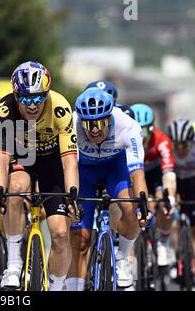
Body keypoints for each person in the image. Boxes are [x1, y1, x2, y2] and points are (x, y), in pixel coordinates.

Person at [0, 61, 79, 290]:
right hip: (23, 157)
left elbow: (69, 160)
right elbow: (1, 161)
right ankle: (13, 263)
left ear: (47, 94)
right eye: (26, 99)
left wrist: (72, 196)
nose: (32, 105)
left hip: (51, 161)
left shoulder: (60, 107)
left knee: (61, 234)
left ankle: (57, 284)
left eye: (38, 98)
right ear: (16, 96)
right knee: (15, 187)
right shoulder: (5, 109)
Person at [68, 88, 152, 290]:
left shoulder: (128, 126)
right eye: (88, 124)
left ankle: (122, 257)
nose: (94, 130)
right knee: (80, 241)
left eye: (99, 123)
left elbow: (137, 173)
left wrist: (143, 206)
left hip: (115, 168)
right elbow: (65, 165)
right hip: (83, 171)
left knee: (132, 210)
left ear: (109, 118)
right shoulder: (70, 124)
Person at [130, 103, 177, 267]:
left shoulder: (162, 140)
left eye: (145, 130)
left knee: (164, 202)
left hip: (155, 175)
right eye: (138, 130)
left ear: (153, 128)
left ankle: (163, 241)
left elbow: (169, 173)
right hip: (136, 174)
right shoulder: (126, 138)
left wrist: (169, 197)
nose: (142, 136)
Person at [167, 119, 195, 270]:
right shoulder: (168, 150)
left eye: (184, 145)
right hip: (176, 182)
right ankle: (177, 256)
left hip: (192, 182)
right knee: (175, 222)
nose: (180, 149)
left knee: (193, 225)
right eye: (176, 145)